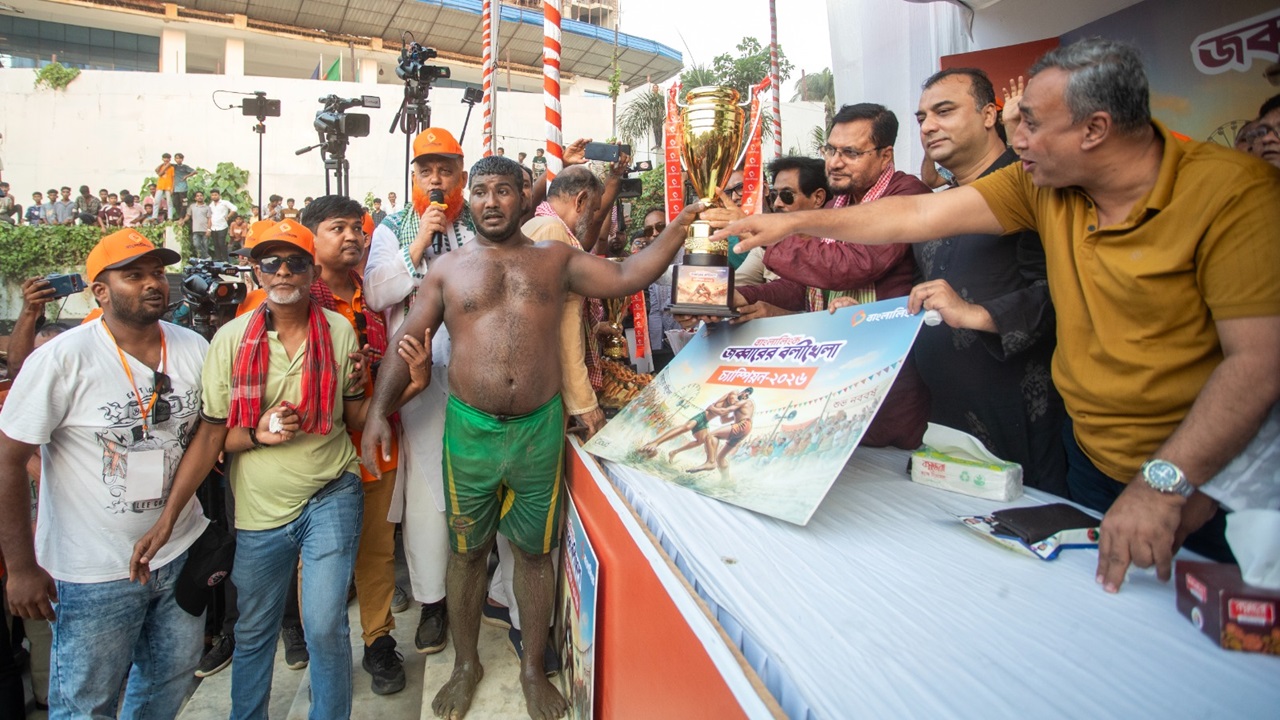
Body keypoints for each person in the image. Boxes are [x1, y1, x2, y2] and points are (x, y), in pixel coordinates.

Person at [718, 38, 1280, 592]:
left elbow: (1257, 364)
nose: (1017, 138)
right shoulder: (1041, 185)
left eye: (1030, 123)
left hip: (1205, 480)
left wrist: (1165, 484)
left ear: (1095, 130)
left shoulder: (1233, 195)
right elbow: (916, 215)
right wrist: (790, 224)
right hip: (1089, 457)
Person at [361, 155, 702, 720]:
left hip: (538, 430)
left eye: (501, 191)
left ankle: (530, 668)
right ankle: (466, 664)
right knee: (467, 555)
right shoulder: (448, 271)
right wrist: (378, 412)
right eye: (479, 192)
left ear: (524, 196)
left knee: (535, 554)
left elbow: (627, 275)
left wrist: (681, 224)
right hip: (469, 430)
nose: (490, 202)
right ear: (468, 201)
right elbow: (409, 338)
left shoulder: (556, 258)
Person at [128, 220, 428, 719]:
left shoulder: (337, 331)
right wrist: (168, 518)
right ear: (256, 270)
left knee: (326, 623)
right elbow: (209, 434)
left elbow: (356, 417)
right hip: (260, 510)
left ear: (311, 271)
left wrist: (411, 386)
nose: (283, 270)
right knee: (254, 630)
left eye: (295, 261)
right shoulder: (229, 340)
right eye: (271, 262)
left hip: (332, 490)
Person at [0, 229, 209, 718]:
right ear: (100, 290)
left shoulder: (192, 347)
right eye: (132, 275)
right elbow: (8, 461)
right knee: (86, 704)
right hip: (91, 573)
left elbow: (208, 433)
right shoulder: (61, 358)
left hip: (177, 550)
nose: (152, 283)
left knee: (169, 683)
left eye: (157, 272)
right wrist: (23, 567)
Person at [902, 67, 1067, 496]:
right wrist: (869, 316)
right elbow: (927, 293)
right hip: (947, 426)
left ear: (990, 114)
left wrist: (978, 314)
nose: (929, 126)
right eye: (922, 118)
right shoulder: (935, 207)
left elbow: (1064, 294)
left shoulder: (1036, 186)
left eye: (944, 111)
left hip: (1025, 419)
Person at [365, 127, 473, 656]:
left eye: (445, 169)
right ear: (414, 177)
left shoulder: (482, 221)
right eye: (426, 170)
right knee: (430, 493)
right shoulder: (392, 227)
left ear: (462, 175)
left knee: (481, 483)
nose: (436, 179)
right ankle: (433, 605)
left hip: (478, 376)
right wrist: (420, 244)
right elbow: (377, 291)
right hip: (418, 380)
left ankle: (487, 592)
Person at [300, 195, 407, 695]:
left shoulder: (377, 295)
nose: (350, 238)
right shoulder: (296, 301)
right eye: (336, 228)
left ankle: (379, 641)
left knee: (377, 551)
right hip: (320, 449)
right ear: (312, 238)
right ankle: (318, 643)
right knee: (320, 556)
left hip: (378, 436)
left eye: (356, 229)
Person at [521, 165, 608, 439]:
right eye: (594, 210)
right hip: (543, 392)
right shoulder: (552, 232)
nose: (593, 218)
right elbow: (563, 326)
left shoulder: (537, 225)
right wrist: (584, 401)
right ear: (580, 200)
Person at [209, 189, 238, 261]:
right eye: (212, 195)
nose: (214, 196)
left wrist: (228, 216)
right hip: (213, 227)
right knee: (216, 244)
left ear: (219, 195)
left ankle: (225, 259)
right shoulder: (211, 205)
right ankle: (218, 259)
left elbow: (234, 208)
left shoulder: (224, 202)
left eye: (215, 195)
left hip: (222, 226)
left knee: (221, 243)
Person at [183, 190, 212, 257]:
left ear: (203, 197)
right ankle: (207, 257)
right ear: (195, 198)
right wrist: (183, 221)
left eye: (201, 196)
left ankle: (204, 261)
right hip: (195, 229)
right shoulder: (192, 206)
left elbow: (209, 219)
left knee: (205, 246)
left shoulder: (207, 207)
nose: (199, 197)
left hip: (205, 230)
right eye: (198, 196)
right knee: (196, 244)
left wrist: (209, 229)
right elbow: (188, 216)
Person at [171, 152, 196, 219]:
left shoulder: (185, 167)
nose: (178, 160)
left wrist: (186, 176)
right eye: (177, 158)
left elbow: (195, 171)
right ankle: (180, 216)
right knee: (175, 203)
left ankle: (182, 216)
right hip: (175, 188)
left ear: (182, 159)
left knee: (184, 203)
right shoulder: (173, 166)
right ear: (175, 159)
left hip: (183, 188)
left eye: (180, 158)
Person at [154, 153, 176, 220]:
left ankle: (170, 217)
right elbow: (157, 172)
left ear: (170, 159)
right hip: (160, 186)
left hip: (168, 186)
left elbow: (174, 178)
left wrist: (173, 187)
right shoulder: (161, 167)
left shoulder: (172, 168)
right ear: (162, 159)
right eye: (164, 158)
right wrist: (164, 165)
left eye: (167, 158)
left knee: (169, 202)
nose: (166, 159)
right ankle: (154, 216)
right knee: (156, 201)